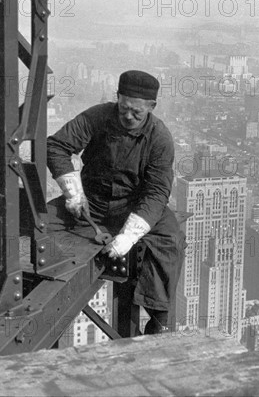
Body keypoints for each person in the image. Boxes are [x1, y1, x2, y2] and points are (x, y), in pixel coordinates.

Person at [46, 70, 185, 335]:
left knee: (169, 239)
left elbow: (156, 193)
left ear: (151, 108)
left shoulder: (160, 138)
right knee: (40, 221)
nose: (128, 116)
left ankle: (159, 318)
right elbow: (57, 146)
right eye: (123, 108)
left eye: (136, 112)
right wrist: (73, 192)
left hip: (134, 207)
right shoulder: (97, 117)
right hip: (91, 201)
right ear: (117, 98)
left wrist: (128, 237)